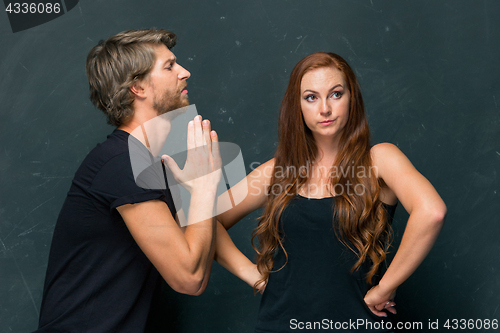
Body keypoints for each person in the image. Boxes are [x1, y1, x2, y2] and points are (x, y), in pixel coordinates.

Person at [213, 52, 447, 332]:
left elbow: (432, 212)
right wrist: (254, 276)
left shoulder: (380, 160)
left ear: (352, 98)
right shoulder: (278, 171)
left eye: (336, 94)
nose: (325, 108)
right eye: (311, 97)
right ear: (297, 106)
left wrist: (386, 287)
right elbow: (203, 220)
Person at [35, 29, 221, 332]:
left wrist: (278, 171)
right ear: (137, 87)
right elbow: (190, 278)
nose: (185, 72)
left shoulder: (147, 161)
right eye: (170, 66)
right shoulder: (123, 164)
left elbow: (206, 229)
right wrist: (203, 186)